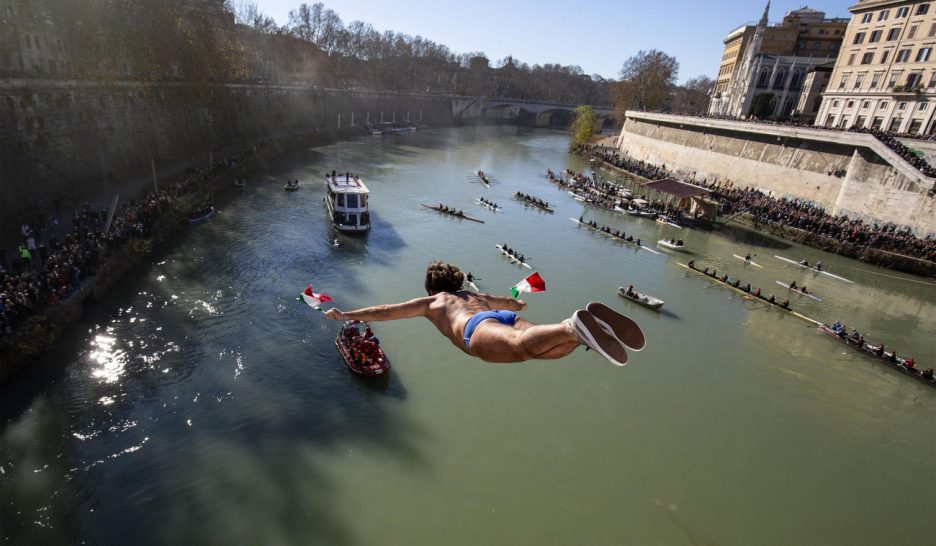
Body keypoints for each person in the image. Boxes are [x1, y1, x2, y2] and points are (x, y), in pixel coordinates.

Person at [325, 261, 646, 366]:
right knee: (539, 351)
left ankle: (574, 326)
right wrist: (517, 304)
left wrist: (346, 314)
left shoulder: (433, 303)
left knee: (523, 348)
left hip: (474, 330)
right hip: (499, 318)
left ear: (430, 288)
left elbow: (385, 311)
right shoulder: (472, 294)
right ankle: (579, 330)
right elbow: (507, 301)